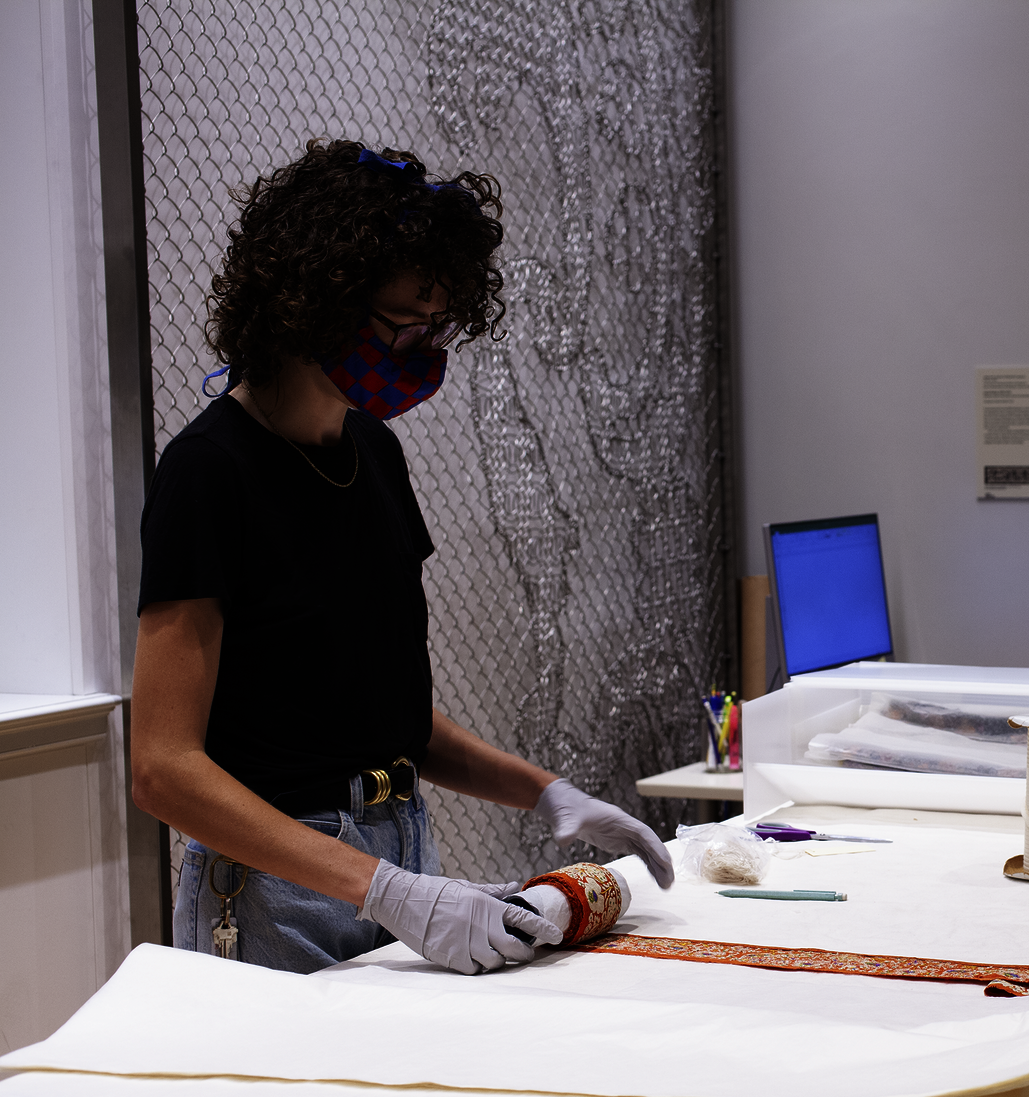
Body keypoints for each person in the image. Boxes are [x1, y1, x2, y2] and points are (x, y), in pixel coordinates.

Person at [131, 140, 674, 976]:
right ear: (315, 301)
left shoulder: (373, 453)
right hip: (278, 884)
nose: (426, 348)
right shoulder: (210, 472)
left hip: (396, 849)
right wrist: (384, 889)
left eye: (441, 326)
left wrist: (548, 794)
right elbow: (165, 769)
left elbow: (394, 720)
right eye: (406, 325)